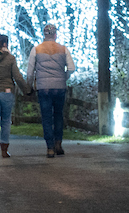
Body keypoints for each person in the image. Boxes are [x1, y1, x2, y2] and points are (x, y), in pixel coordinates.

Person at [26, 23, 75, 157]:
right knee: (58, 115)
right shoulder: (63, 49)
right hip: (59, 87)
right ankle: (58, 143)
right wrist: (63, 77)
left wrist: (29, 85)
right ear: (55, 34)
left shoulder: (36, 49)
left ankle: (50, 147)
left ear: (44, 34)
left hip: (44, 88)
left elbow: (30, 71)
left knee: (46, 117)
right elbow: (71, 67)